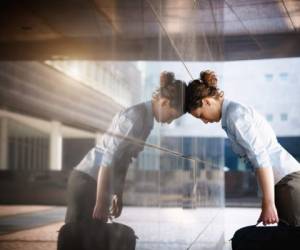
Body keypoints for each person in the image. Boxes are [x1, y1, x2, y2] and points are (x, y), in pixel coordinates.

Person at [65, 71, 187, 223]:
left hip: (97, 184)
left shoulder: (146, 122)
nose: (169, 122)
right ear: (164, 102)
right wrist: (101, 200)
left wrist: (117, 194)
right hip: (87, 181)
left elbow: (124, 160)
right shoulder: (136, 116)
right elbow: (108, 157)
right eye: (171, 116)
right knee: (75, 240)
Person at [185, 70, 300, 226]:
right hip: (283, 182)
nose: (204, 121)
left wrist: (269, 203)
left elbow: (261, 158)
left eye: (200, 115)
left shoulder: (235, 115)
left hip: (287, 182)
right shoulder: (232, 115)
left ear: (206, 101)